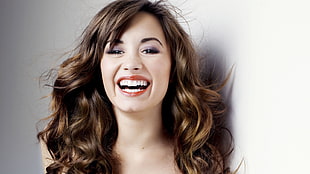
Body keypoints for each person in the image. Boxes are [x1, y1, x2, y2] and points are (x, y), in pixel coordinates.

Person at [37, 0, 233, 173]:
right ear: (98, 67)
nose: (132, 63)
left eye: (149, 50)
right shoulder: (61, 150)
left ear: (174, 68)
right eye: (115, 50)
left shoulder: (201, 163)